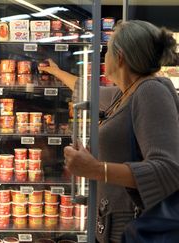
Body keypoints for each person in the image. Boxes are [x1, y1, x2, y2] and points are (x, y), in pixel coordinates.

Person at [39, 20, 179, 243]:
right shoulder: (125, 94)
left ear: (120, 57)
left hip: (137, 230)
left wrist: (95, 169)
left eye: (107, 50)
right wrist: (56, 72)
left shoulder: (151, 91)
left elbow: (169, 169)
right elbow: (86, 89)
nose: (104, 56)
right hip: (115, 227)